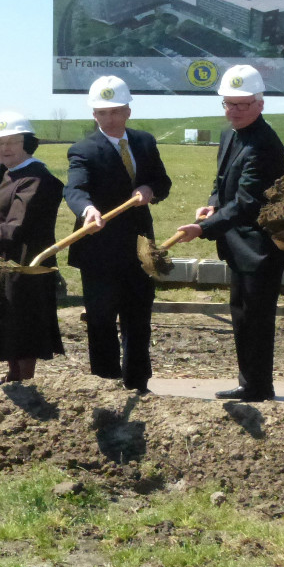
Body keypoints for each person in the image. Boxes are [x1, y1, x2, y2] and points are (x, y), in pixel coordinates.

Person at [176, 65, 284, 402]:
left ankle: (258, 387)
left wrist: (202, 228)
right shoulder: (231, 136)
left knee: (256, 319)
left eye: (243, 104)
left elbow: (246, 202)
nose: (236, 111)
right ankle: (249, 383)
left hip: (260, 247)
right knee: (242, 316)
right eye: (230, 104)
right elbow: (222, 183)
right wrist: (211, 204)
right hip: (237, 244)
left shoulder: (263, 144)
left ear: (260, 104)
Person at [63, 75, 172, 393]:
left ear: (127, 110)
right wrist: (87, 210)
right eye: (101, 113)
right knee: (101, 319)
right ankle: (106, 381)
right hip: (99, 248)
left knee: (138, 318)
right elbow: (75, 189)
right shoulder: (83, 150)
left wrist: (150, 188)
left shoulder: (144, 142)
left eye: (114, 111)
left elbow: (162, 182)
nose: (108, 118)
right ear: (93, 115)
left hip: (140, 247)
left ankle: (138, 383)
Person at [0, 112, 65, 382]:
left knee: (24, 322)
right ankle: (12, 374)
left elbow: (16, 225)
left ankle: (25, 380)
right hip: (3, 258)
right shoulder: (6, 175)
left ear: (27, 143)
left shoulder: (36, 179)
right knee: (5, 318)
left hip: (26, 263)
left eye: (12, 142)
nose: (4, 148)